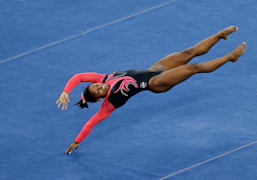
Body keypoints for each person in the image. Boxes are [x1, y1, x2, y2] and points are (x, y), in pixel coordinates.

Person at [56, 25, 247, 154]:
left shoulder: (103, 77)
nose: (99, 86)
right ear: (99, 99)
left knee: (189, 53)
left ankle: (219, 36)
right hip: (155, 83)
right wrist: (77, 141)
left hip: (155, 68)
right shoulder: (109, 104)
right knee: (192, 68)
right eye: (98, 90)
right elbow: (91, 123)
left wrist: (66, 91)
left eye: (95, 85)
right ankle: (230, 57)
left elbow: (78, 77)